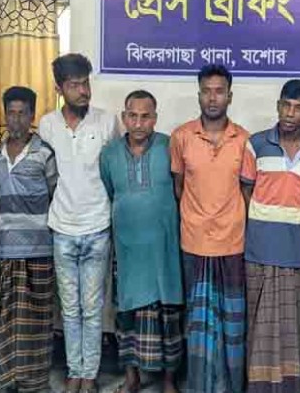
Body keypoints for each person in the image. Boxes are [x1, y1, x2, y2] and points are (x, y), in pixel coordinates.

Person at [170, 64, 256, 393]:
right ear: (199, 95)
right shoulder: (181, 137)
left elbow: (247, 192)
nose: (212, 97)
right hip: (193, 241)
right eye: (206, 91)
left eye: (219, 91)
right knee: (197, 320)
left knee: (231, 320)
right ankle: (199, 385)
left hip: (232, 242)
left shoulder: (244, 140)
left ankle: (229, 385)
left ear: (230, 96)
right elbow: (179, 187)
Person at [38, 53, 119, 393]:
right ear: (59, 89)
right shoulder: (47, 125)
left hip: (97, 226)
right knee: (70, 308)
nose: (84, 91)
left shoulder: (107, 122)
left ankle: (90, 373)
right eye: (75, 85)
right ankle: (74, 371)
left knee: (93, 307)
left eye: (86, 83)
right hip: (62, 228)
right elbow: (47, 176)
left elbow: (115, 173)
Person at [244, 79, 300, 393]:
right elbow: (246, 191)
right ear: (278, 106)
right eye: (286, 105)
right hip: (259, 249)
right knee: (259, 324)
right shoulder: (256, 144)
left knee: (292, 322)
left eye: (298, 108)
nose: (290, 113)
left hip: (296, 251)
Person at [99, 90, 184, 393]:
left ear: (155, 119)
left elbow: (181, 189)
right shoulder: (109, 154)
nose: (138, 123)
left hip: (163, 251)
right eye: (132, 116)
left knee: (168, 316)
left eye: (145, 116)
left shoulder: (169, 146)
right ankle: (132, 377)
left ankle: (169, 380)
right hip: (128, 250)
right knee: (127, 316)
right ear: (124, 118)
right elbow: (110, 191)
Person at [0, 87, 59, 393]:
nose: (16, 119)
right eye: (11, 113)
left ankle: (35, 380)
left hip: (40, 247)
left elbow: (55, 194)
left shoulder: (45, 152)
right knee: (9, 316)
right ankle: (9, 377)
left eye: (22, 113)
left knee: (37, 316)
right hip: (8, 248)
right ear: (5, 115)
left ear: (32, 116)